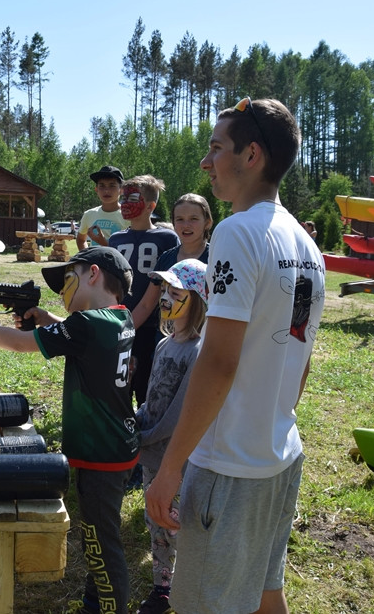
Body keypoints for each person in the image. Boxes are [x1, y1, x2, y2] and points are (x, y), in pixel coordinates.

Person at [145, 97, 326, 614]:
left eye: (216, 148)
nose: (206, 163)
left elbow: (219, 360)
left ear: (251, 155)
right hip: (280, 455)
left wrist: (170, 469)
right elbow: (301, 353)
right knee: (268, 593)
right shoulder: (303, 243)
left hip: (229, 467)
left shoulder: (237, 232)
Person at [0, 246, 139, 614]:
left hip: (99, 452)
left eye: (71, 278)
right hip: (117, 446)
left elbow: (22, 345)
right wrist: (47, 318)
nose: (64, 290)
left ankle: (108, 607)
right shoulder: (120, 318)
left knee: (101, 542)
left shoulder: (87, 324)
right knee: (98, 535)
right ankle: (95, 602)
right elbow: (81, 339)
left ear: (94, 274)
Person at [134, 258, 208, 614]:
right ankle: (163, 587)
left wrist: (144, 434)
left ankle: (190, 584)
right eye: (164, 290)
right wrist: (136, 421)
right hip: (151, 451)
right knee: (156, 522)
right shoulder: (165, 343)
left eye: (175, 292)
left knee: (178, 522)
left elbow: (180, 411)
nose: (165, 297)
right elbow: (152, 398)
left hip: (175, 457)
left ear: (197, 301)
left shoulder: (198, 352)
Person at [108, 175, 180, 408]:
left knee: (146, 383)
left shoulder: (167, 238)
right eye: (124, 197)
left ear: (151, 205)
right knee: (119, 381)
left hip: (153, 325)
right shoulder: (116, 239)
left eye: (133, 198)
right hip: (120, 320)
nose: (126, 203)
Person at [130, 193, 213, 333]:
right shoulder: (165, 259)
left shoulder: (216, 259)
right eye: (180, 219)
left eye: (193, 219)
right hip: (168, 339)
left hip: (203, 342)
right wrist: (122, 335)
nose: (186, 225)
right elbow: (146, 305)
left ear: (207, 222)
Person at [77, 165, 130, 250]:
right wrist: (87, 258)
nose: (106, 191)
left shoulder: (129, 216)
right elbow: (81, 240)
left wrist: (104, 243)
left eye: (112, 186)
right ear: (96, 190)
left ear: (121, 190)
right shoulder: (89, 214)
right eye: (102, 186)